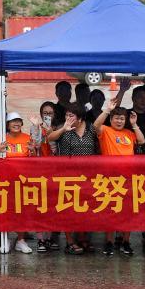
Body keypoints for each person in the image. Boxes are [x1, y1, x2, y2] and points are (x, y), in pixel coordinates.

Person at [93, 96, 145, 257]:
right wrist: (107, 110)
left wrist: (134, 124)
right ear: (111, 119)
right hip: (109, 179)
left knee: (128, 212)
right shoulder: (105, 130)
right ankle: (109, 242)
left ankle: (125, 242)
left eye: (122, 118)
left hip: (128, 178)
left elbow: (142, 141)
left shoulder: (129, 133)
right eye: (116, 118)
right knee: (111, 211)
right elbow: (95, 125)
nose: (119, 121)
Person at [47, 103, 98, 254]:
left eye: (71, 116)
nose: (68, 118)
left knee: (85, 209)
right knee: (68, 209)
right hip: (67, 176)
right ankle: (69, 241)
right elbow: (49, 137)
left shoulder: (91, 129)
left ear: (80, 118)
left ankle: (82, 238)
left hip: (88, 177)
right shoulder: (63, 128)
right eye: (66, 115)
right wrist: (64, 128)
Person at [0, 113, 35, 254]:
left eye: (18, 121)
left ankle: (21, 240)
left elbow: (34, 158)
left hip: (22, 181)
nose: (16, 124)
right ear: (7, 125)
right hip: (4, 181)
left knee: (22, 211)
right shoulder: (0, 138)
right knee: (5, 210)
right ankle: (5, 238)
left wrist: (33, 151)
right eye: (13, 121)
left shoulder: (27, 138)